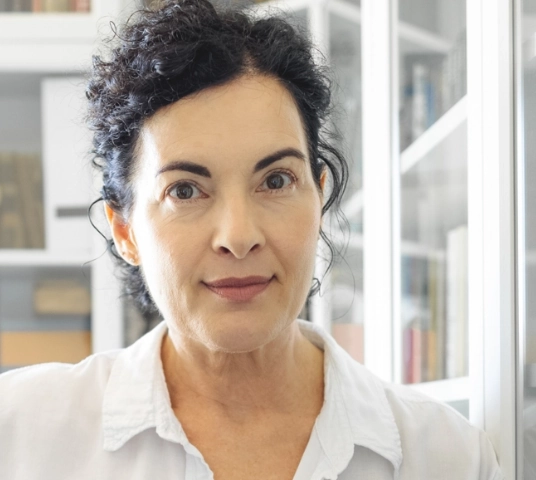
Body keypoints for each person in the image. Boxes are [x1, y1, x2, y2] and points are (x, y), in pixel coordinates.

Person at [0, 0, 503, 479]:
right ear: (125, 230)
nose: (238, 237)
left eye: (276, 180)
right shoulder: (22, 434)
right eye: (185, 190)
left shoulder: (448, 456)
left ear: (320, 198)